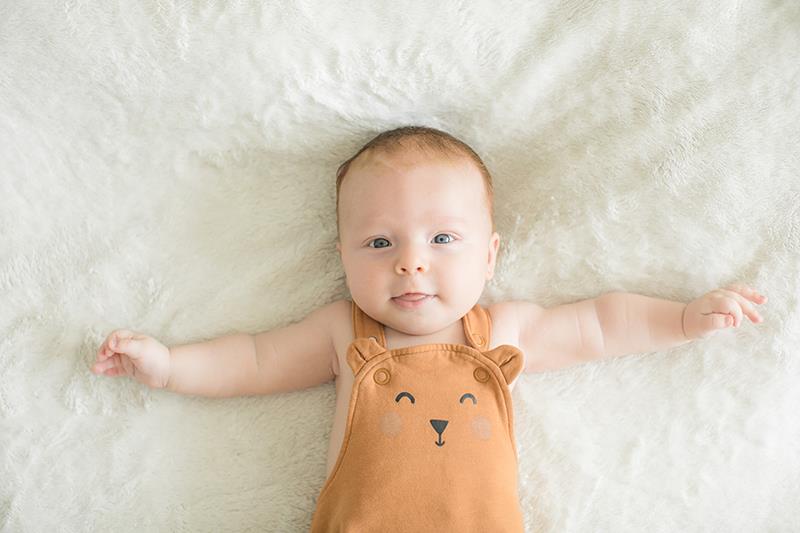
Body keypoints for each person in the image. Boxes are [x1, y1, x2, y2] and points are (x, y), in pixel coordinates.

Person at [91, 125, 767, 531]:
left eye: (442, 238)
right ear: (343, 256)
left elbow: (600, 323)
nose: (411, 261)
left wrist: (683, 319)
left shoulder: (501, 330)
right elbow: (254, 360)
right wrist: (170, 365)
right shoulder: (345, 333)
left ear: (490, 256)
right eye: (379, 242)